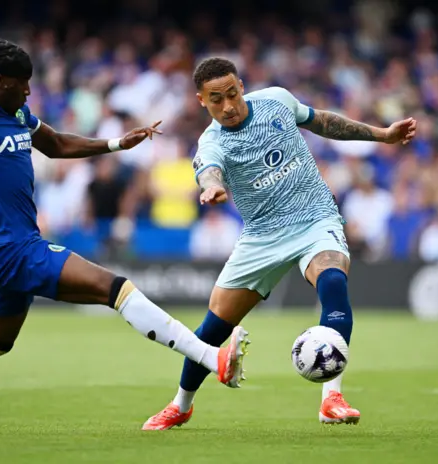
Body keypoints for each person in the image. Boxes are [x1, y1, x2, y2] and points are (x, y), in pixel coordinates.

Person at [0, 40, 250, 431]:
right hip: (12, 247)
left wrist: (117, 143)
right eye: (23, 83)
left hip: (7, 247)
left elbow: (55, 144)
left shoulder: (14, 110)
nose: (30, 91)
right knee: (116, 288)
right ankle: (212, 358)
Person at [143, 57, 417, 430]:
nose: (227, 106)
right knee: (212, 331)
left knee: (333, 281)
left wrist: (381, 135)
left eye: (232, 94)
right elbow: (208, 170)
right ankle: (181, 404)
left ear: (241, 86)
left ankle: (331, 398)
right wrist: (211, 186)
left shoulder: (276, 100)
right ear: (200, 101)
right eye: (215, 100)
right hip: (261, 236)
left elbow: (322, 121)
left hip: (313, 219)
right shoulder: (210, 142)